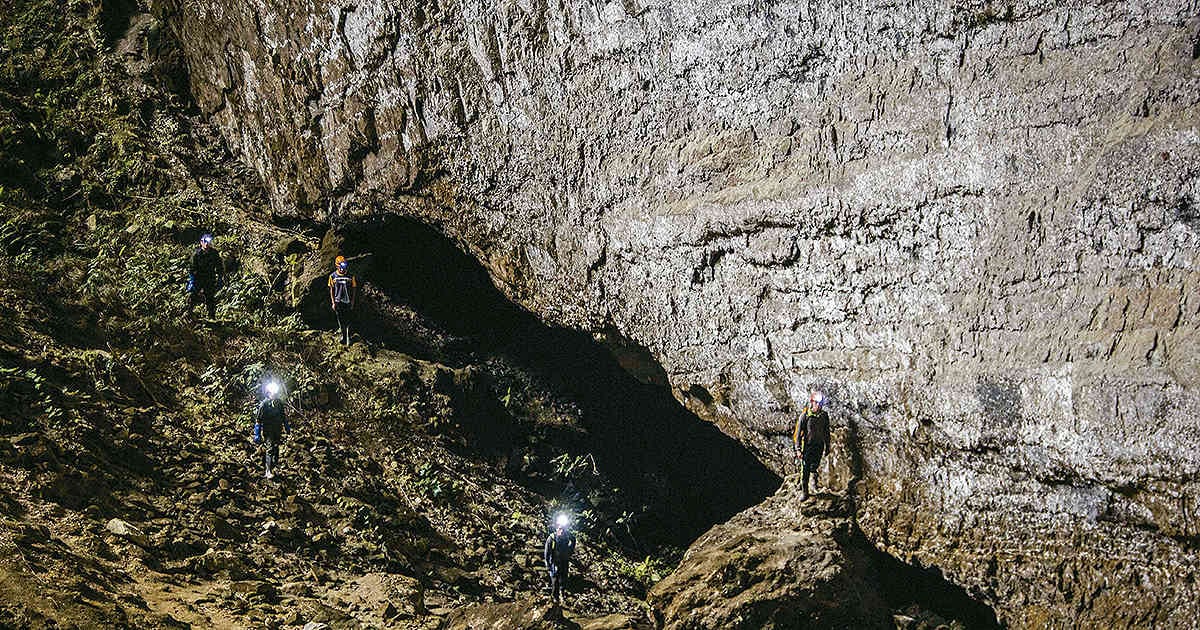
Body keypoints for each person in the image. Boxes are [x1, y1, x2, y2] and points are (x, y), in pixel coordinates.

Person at [793, 390, 831, 501]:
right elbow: (798, 435)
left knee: (814, 466)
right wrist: (798, 449)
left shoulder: (824, 416)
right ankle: (805, 492)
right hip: (807, 447)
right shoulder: (805, 416)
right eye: (817, 403)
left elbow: (826, 431)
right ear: (812, 402)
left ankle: (814, 482)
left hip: (819, 446)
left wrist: (828, 446)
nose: (819, 405)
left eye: (821, 403)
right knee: (805, 469)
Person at [253, 381, 290, 479]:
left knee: (276, 448)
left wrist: (287, 427)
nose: (273, 393)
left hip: (278, 430)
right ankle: (267, 471)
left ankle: (274, 467)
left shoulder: (279, 403)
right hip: (268, 431)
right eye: (271, 392)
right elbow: (258, 420)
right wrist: (257, 434)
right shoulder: (264, 404)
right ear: (268, 392)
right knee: (269, 449)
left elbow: (283, 416)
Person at [187, 233, 224, 319]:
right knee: (193, 296)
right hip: (198, 278)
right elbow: (191, 268)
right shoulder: (196, 254)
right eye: (205, 241)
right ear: (201, 242)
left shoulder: (214, 253)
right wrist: (192, 280)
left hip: (210, 278)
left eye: (208, 242)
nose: (206, 244)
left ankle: (212, 317)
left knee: (210, 298)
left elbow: (219, 266)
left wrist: (220, 277)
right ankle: (189, 314)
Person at [544, 513, 576, 605]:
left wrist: (570, 550)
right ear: (556, 528)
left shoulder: (567, 536)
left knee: (564, 578)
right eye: (559, 528)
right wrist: (548, 565)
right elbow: (547, 553)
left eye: (563, 529)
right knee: (555, 580)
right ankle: (555, 597)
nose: (561, 531)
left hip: (564, 561)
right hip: (555, 562)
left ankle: (562, 594)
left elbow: (573, 539)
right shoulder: (551, 538)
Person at [328, 256, 358, 346]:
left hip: (348, 302)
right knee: (341, 320)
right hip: (338, 302)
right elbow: (331, 290)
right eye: (340, 266)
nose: (342, 269)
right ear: (336, 266)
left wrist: (352, 301)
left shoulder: (350, 276)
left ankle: (349, 338)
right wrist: (333, 302)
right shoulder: (332, 276)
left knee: (348, 320)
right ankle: (344, 337)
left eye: (344, 266)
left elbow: (354, 288)